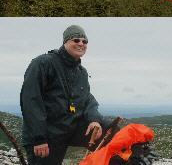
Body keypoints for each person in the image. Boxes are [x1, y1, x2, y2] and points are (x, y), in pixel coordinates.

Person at [20, 25, 119, 165]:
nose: (81, 44)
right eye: (76, 40)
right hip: (47, 135)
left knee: (112, 130)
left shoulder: (81, 72)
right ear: (65, 42)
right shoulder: (43, 63)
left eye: (85, 41)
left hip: (69, 129)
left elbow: (87, 100)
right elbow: (31, 100)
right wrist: (39, 138)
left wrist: (94, 119)